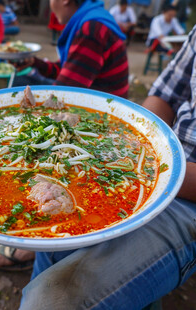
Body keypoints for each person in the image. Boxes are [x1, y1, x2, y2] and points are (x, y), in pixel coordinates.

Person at [19, 25, 196, 310]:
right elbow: (163, 96)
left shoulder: (91, 28)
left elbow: (69, 81)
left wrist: (153, 167)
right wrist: (136, 139)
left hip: (187, 201)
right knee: (51, 233)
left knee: (48, 302)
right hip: (157, 160)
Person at [0, 0, 129, 271]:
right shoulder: (90, 20)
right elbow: (69, 70)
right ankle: (37, 243)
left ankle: (38, 246)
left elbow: (66, 91)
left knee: (48, 160)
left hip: (103, 126)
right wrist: (37, 64)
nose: (50, 5)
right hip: (96, 114)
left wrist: (33, 105)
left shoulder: (91, 28)